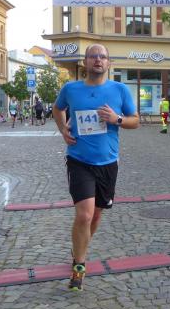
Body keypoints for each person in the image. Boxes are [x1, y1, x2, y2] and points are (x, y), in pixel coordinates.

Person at [52, 44, 139, 291]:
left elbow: (135, 121)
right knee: (85, 214)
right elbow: (57, 109)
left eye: (102, 57)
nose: (98, 60)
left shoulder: (119, 90)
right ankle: (79, 267)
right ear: (85, 62)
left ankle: (79, 246)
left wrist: (116, 119)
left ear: (108, 63)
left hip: (108, 162)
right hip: (78, 160)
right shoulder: (70, 89)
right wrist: (63, 129)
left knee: (96, 215)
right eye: (93, 56)